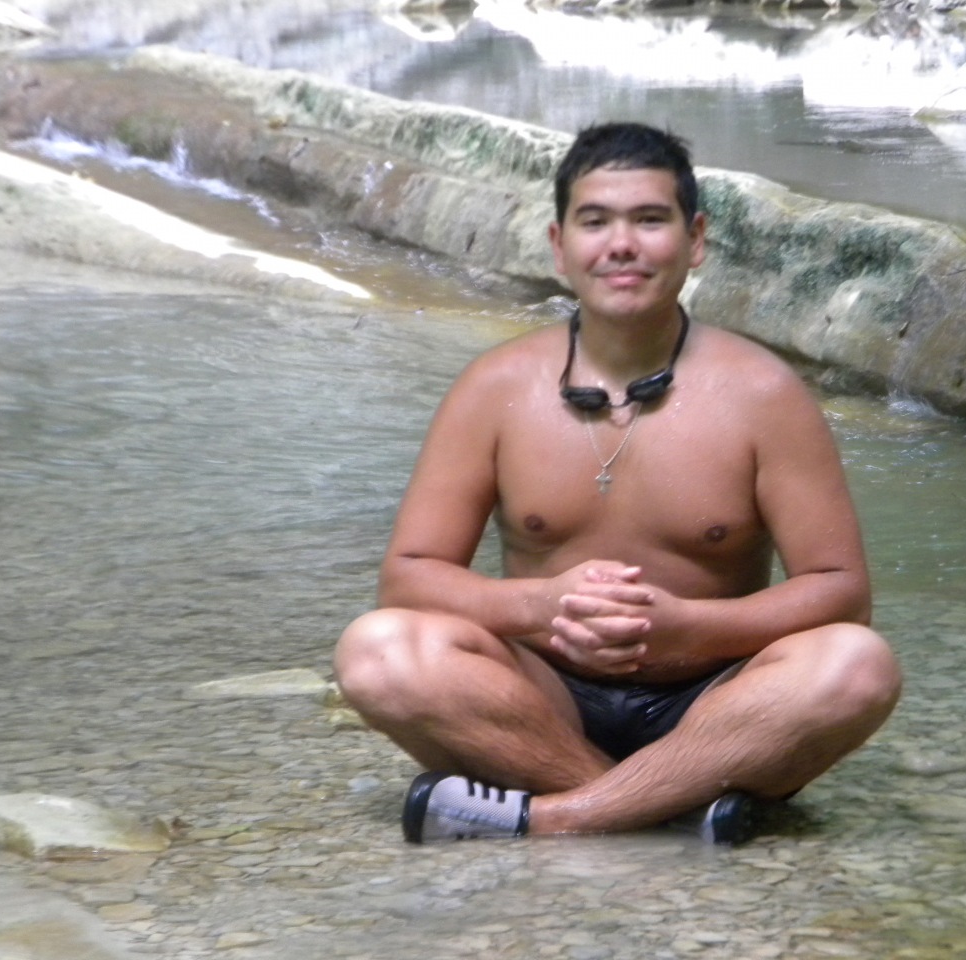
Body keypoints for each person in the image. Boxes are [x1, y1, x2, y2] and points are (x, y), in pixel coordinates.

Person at [333, 122, 901, 845]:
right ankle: (675, 810)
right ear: (558, 245)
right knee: (378, 650)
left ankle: (557, 816)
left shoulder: (764, 393)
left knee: (856, 666)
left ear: (696, 240)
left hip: (716, 702)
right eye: (596, 221)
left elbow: (841, 593)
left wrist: (689, 626)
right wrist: (541, 605)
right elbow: (409, 578)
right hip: (541, 698)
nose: (622, 245)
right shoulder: (495, 388)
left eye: (650, 220)